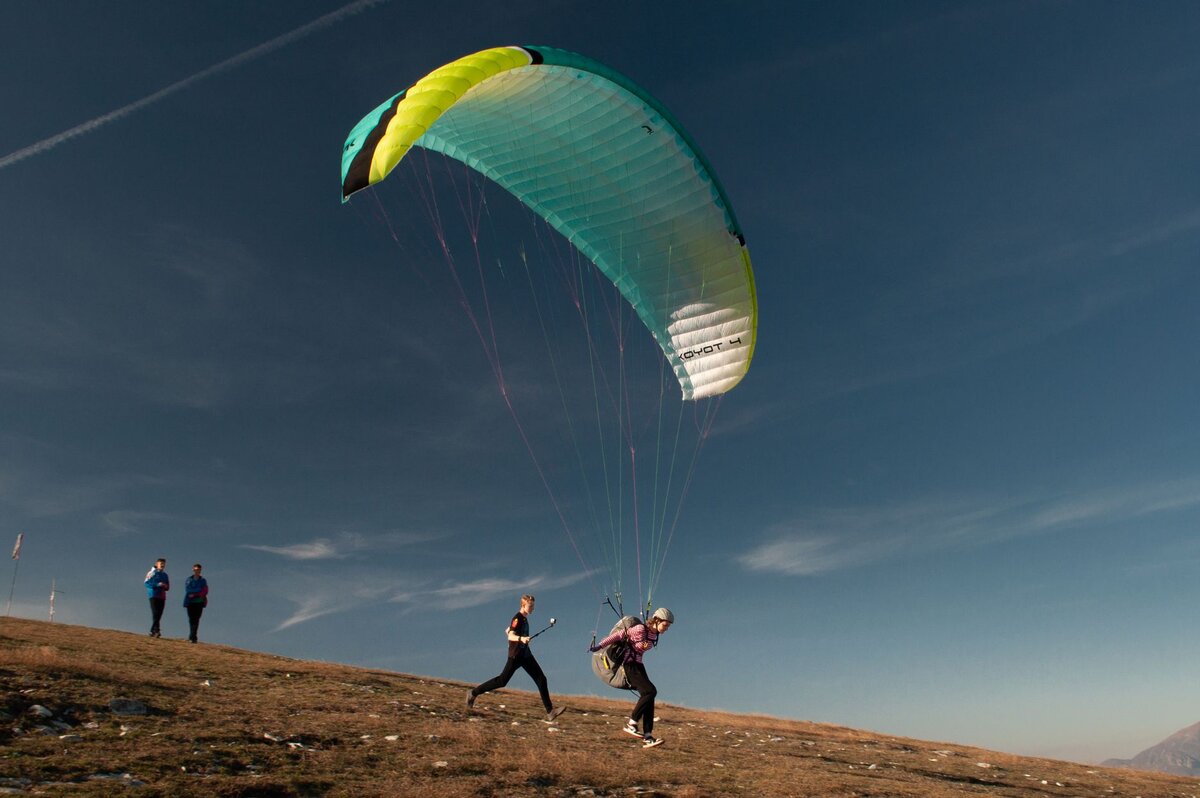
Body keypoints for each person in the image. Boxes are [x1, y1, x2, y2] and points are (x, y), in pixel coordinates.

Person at [467, 594, 566, 722]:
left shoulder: (524, 619)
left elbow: (507, 630)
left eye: (533, 606)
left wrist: (515, 635)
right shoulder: (518, 618)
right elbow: (510, 635)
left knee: (541, 679)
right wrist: (521, 638)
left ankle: (550, 712)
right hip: (516, 656)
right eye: (530, 606)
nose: (532, 609)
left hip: (526, 655)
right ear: (523, 605)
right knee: (502, 681)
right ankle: (473, 693)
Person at [590, 607, 674, 748]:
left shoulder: (654, 635)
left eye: (668, 626)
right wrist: (599, 645)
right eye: (665, 625)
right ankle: (632, 724)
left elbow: (641, 650)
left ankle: (648, 736)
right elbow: (619, 635)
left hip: (638, 665)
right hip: (629, 665)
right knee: (651, 691)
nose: (666, 629)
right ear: (657, 620)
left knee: (649, 695)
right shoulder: (640, 629)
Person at [182, 563, 208, 643]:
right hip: (190, 602)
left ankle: (193, 636)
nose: (197, 571)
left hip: (199, 602)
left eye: (198, 570)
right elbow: (188, 590)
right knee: (191, 619)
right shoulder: (189, 579)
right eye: (196, 569)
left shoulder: (203, 580)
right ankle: (192, 636)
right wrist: (197, 590)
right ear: (193, 570)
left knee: (196, 619)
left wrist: (195, 593)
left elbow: (204, 591)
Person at [144, 558, 170, 637]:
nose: (162, 565)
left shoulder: (165, 575)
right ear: (157, 564)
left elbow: (168, 587)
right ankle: (155, 630)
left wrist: (165, 586)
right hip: (153, 595)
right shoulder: (152, 572)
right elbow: (147, 583)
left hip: (162, 596)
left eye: (163, 563)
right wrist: (158, 584)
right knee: (156, 613)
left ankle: (154, 631)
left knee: (159, 614)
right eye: (161, 563)